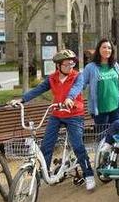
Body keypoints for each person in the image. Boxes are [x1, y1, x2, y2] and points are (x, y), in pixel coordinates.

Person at [11, 49, 96, 191]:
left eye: (72, 63)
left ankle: (88, 175)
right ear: (58, 66)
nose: (70, 66)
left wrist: (70, 98)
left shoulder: (77, 76)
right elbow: (38, 89)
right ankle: (44, 174)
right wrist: (22, 99)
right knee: (46, 145)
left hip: (74, 115)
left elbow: (76, 88)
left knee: (78, 146)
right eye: (67, 64)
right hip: (57, 114)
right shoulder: (52, 78)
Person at [79, 38, 119, 127]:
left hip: (116, 107)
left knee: (117, 135)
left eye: (109, 48)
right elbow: (80, 85)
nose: (107, 50)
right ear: (98, 49)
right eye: (104, 47)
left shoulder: (115, 65)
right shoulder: (90, 67)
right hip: (100, 110)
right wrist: (70, 96)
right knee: (103, 137)